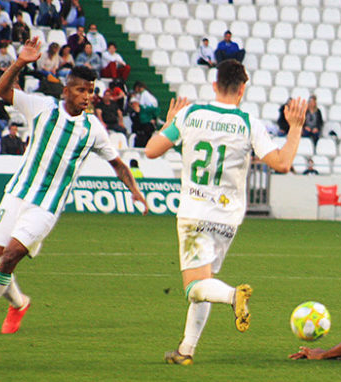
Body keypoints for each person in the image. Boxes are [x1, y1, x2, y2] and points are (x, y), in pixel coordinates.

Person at [0, 37, 148, 335]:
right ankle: (19, 303)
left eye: (91, 91)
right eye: (82, 90)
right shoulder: (43, 107)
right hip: (17, 194)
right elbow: (0, 91)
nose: (87, 96)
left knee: (8, 259)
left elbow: (118, 164)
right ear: (67, 90)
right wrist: (20, 62)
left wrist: (135, 190)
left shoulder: (93, 130)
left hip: (46, 207)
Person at [144, 59, 308, 365]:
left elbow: (152, 150)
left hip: (195, 212)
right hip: (228, 218)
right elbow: (283, 164)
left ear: (214, 84)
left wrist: (169, 124)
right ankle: (185, 350)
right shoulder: (248, 123)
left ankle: (233, 295)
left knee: (195, 288)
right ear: (242, 88)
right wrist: (295, 128)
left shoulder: (191, 114)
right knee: (206, 282)